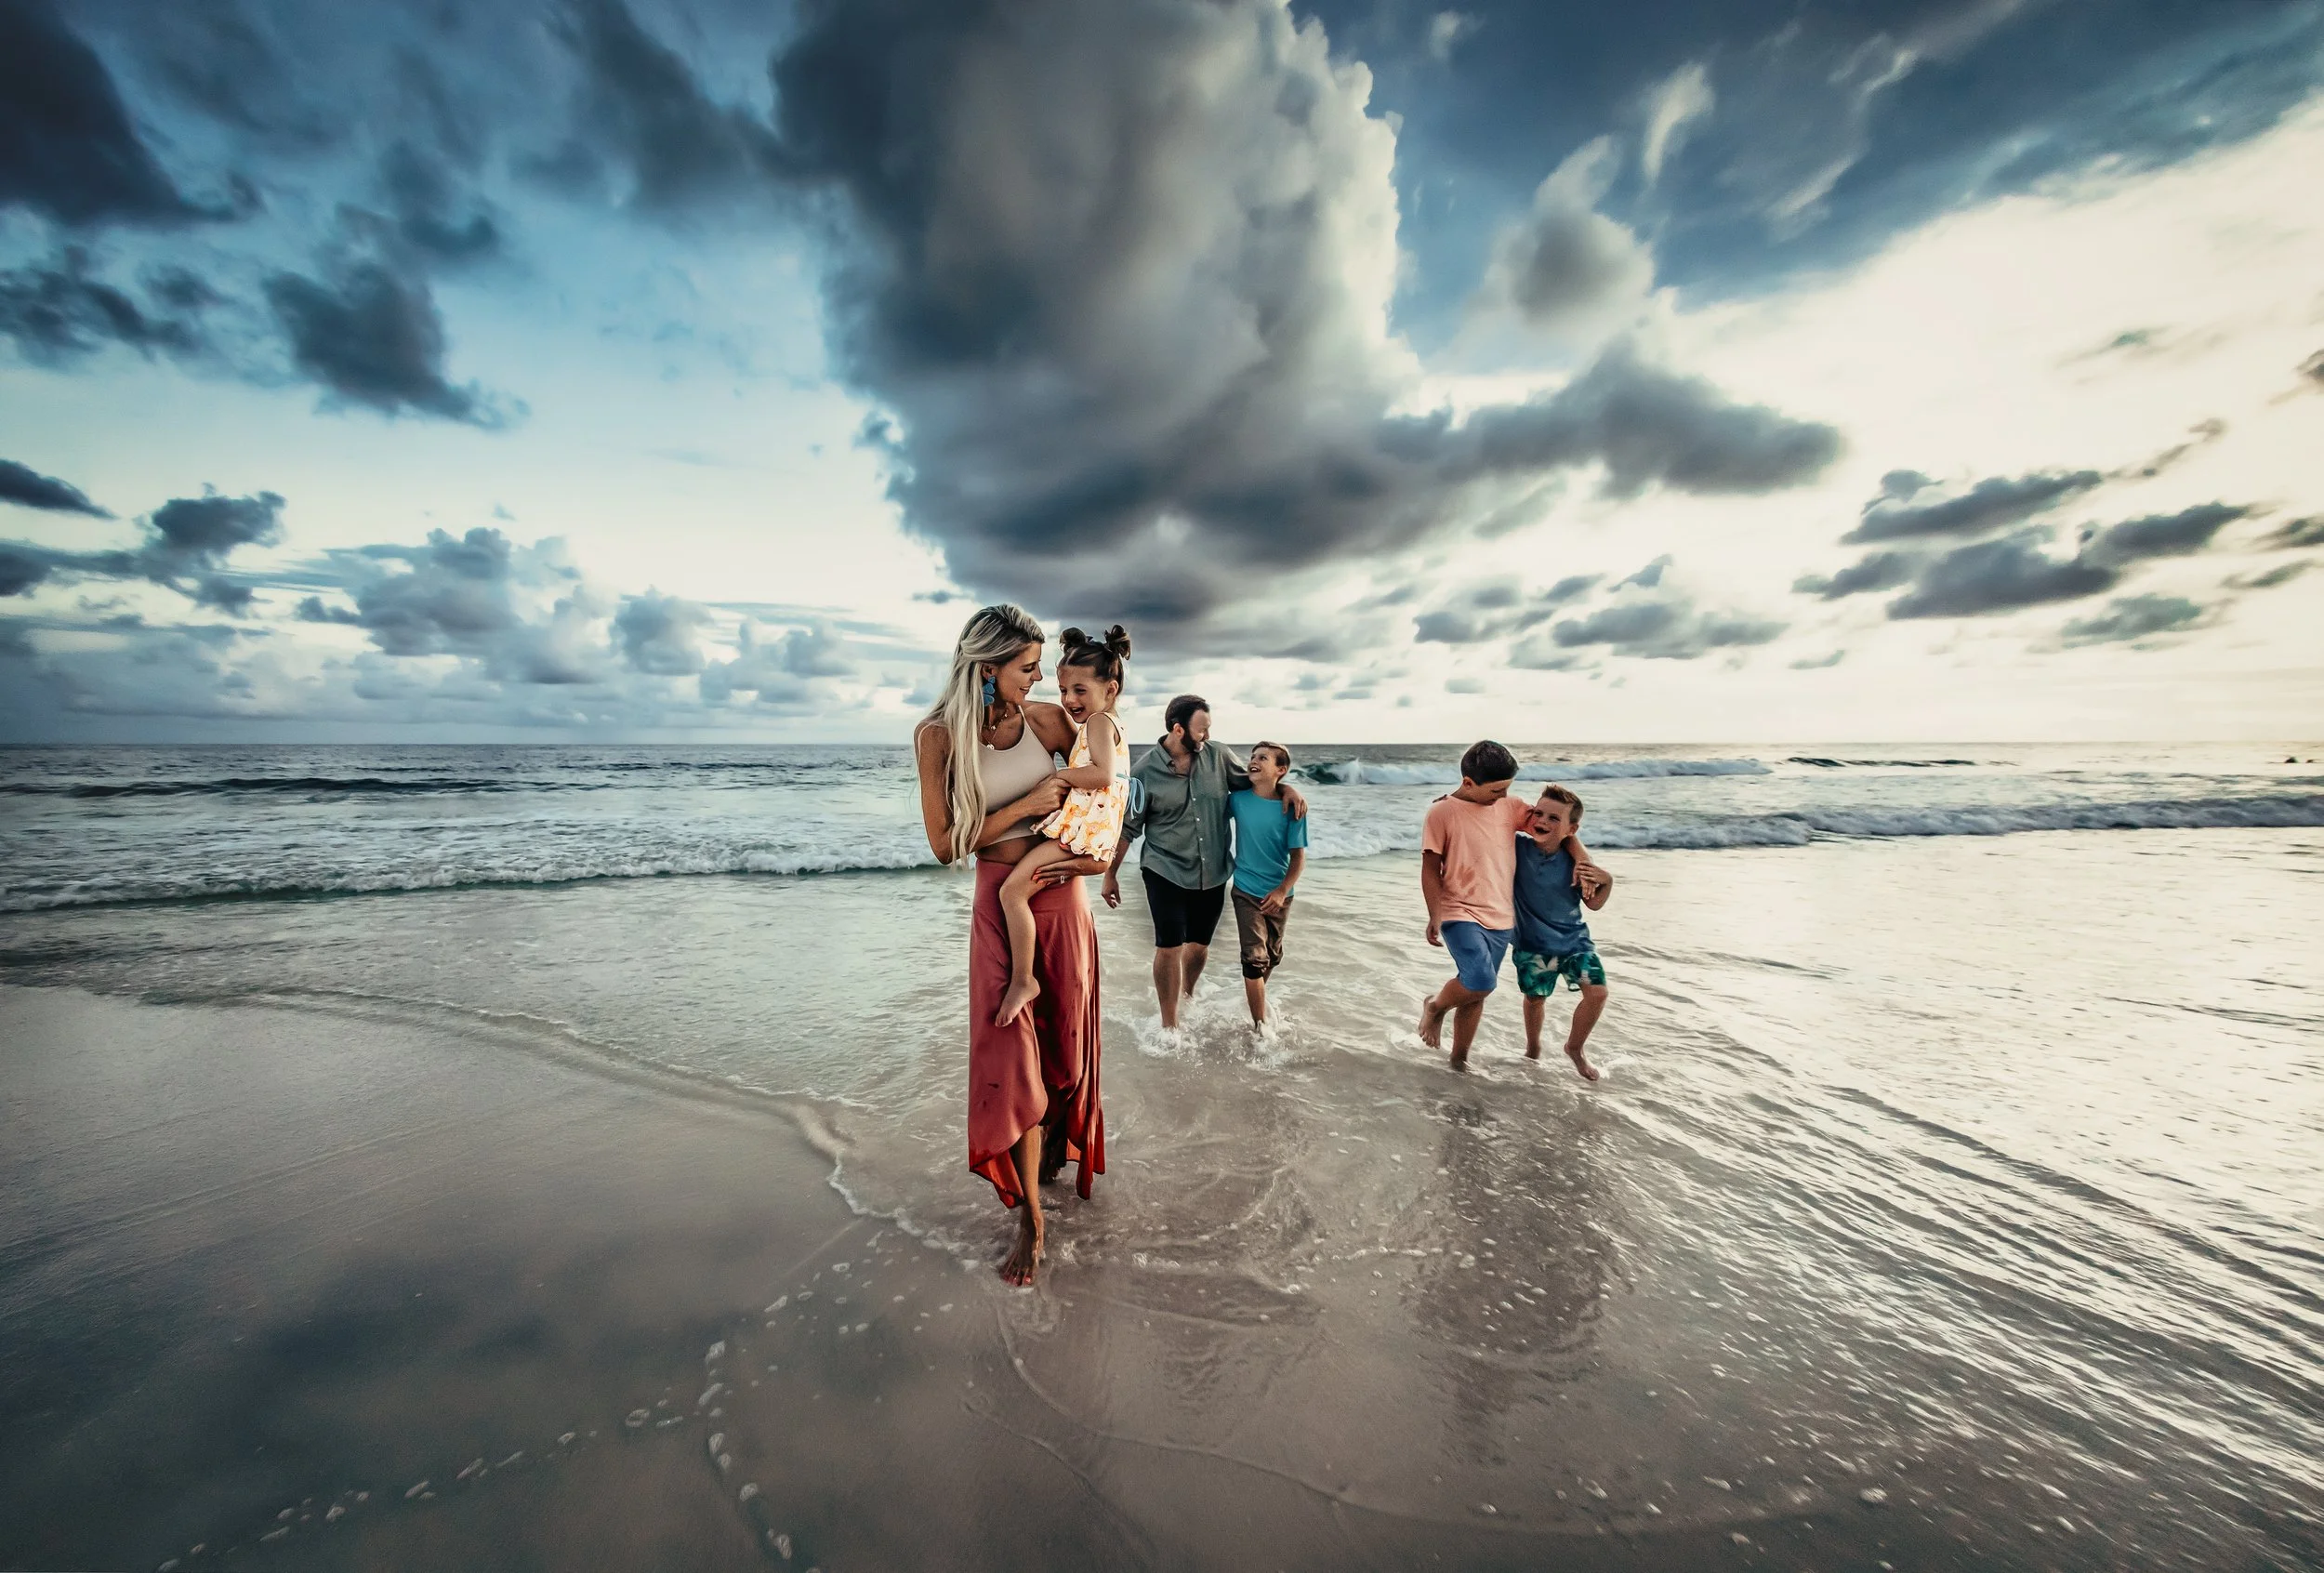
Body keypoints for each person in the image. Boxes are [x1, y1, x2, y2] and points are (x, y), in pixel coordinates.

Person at [912, 604, 1106, 1287]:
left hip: (1060, 896)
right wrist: (1025, 807)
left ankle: (1050, 1149)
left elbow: (1111, 771)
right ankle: (1030, 1216)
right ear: (987, 668)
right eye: (1027, 669)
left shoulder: (1050, 720)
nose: (1038, 681)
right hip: (1000, 903)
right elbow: (943, 846)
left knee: (1061, 1050)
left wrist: (1097, 861)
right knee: (1011, 1056)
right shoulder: (937, 736)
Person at [1101, 695, 1306, 1031]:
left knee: (1198, 946)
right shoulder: (1143, 773)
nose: (1206, 736)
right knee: (1169, 946)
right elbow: (1128, 827)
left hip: (1211, 872)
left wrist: (1288, 789)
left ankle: (1187, 993)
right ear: (1178, 729)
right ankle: (1170, 1025)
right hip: (1163, 869)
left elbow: (1255, 783)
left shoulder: (1218, 756)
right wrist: (1110, 874)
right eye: (1201, 731)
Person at [1415, 740, 1601, 1066]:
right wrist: (1435, 913)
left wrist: (1582, 861)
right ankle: (1435, 1007)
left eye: (1507, 789)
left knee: (1477, 991)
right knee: (1481, 979)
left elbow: (1559, 830)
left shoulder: (1509, 806)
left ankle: (1459, 1061)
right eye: (1496, 791)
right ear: (1469, 783)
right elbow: (1430, 868)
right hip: (1458, 911)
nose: (1503, 797)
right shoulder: (1441, 812)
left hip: (1501, 918)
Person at [994, 627, 1133, 1027]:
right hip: (1092, 832)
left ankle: (1024, 980)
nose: (1069, 700)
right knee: (1024, 886)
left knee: (1012, 892)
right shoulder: (1108, 723)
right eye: (1063, 690)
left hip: (1084, 834)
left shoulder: (1098, 724)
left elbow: (1102, 775)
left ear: (1111, 689)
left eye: (1080, 690)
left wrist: (1058, 779)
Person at [1512, 784, 1614, 1080]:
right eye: (1538, 813)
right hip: (1533, 945)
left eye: (1554, 818)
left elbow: (1593, 903)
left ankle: (1575, 1048)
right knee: (1535, 999)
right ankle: (1533, 1048)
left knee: (1597, 993)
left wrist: (1607, 881)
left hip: (1575, 946)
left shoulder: (1576, 863)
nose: (1542, 821)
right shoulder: (1517, 849)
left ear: (1572, 828)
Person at [1227, 741, 1306, 1029]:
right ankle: (1261, 1028)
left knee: (1271, 957)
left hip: (1280, 894)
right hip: (1245, 889)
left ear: (1280, 770)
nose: (1253, 760)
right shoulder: (1237, 799)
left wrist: (1282, 891)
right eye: (1252, 756)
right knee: (1254, 959)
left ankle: (1254, 998)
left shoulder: (1292, 808)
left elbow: (1298, 858)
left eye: (1263, 757)